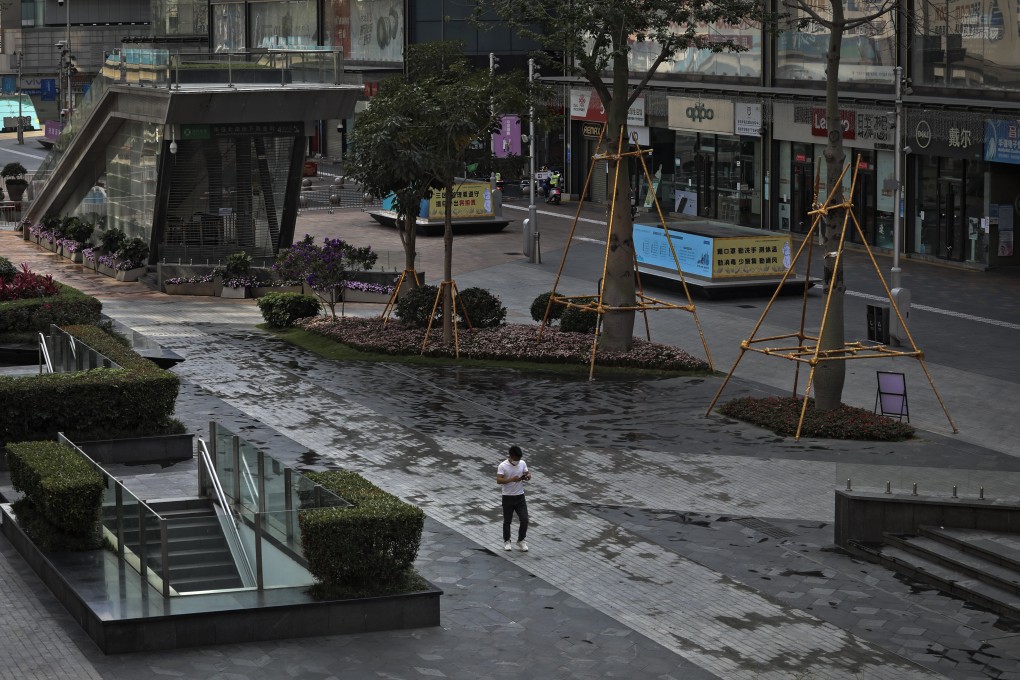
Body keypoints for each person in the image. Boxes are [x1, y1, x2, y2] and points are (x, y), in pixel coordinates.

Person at [496, 445, 531, 552]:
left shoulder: (522, 463)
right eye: (516, 459)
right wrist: (511, 479)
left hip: (520, 496)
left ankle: (521, 540)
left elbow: (526, 473)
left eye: (519, 459)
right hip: (507, 497)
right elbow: (498, 480)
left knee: (524, 519)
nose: (517, 461)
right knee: (507, 520)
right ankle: (507, 541)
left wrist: (528, 476)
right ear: (511, 456)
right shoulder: (503, 466)